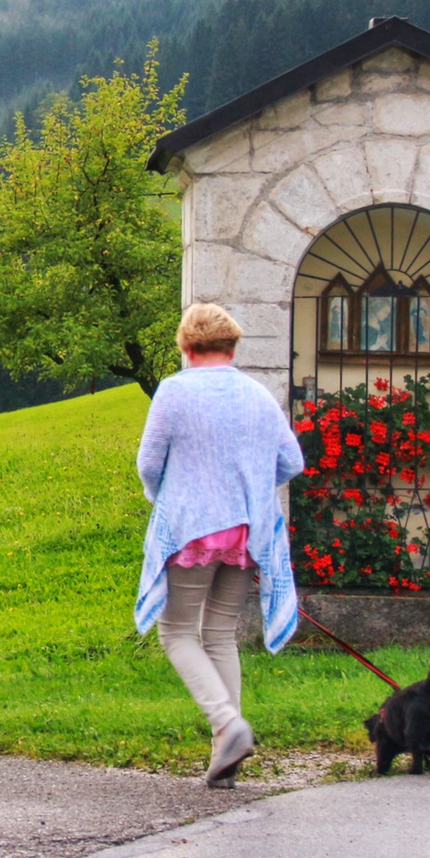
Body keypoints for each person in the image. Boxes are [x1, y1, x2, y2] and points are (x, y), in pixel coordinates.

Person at [133, 303, 303, 788]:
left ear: (187, 347)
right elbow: (291, 460)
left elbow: (149, 462)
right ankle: (226, 755)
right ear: (232, 346)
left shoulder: (174, 391)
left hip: (192, 529)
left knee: (177, 633)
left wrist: (167, 494)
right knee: (221, 634)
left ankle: (228, 725)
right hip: (249, 532)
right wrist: (247, 483)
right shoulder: (257, 394)